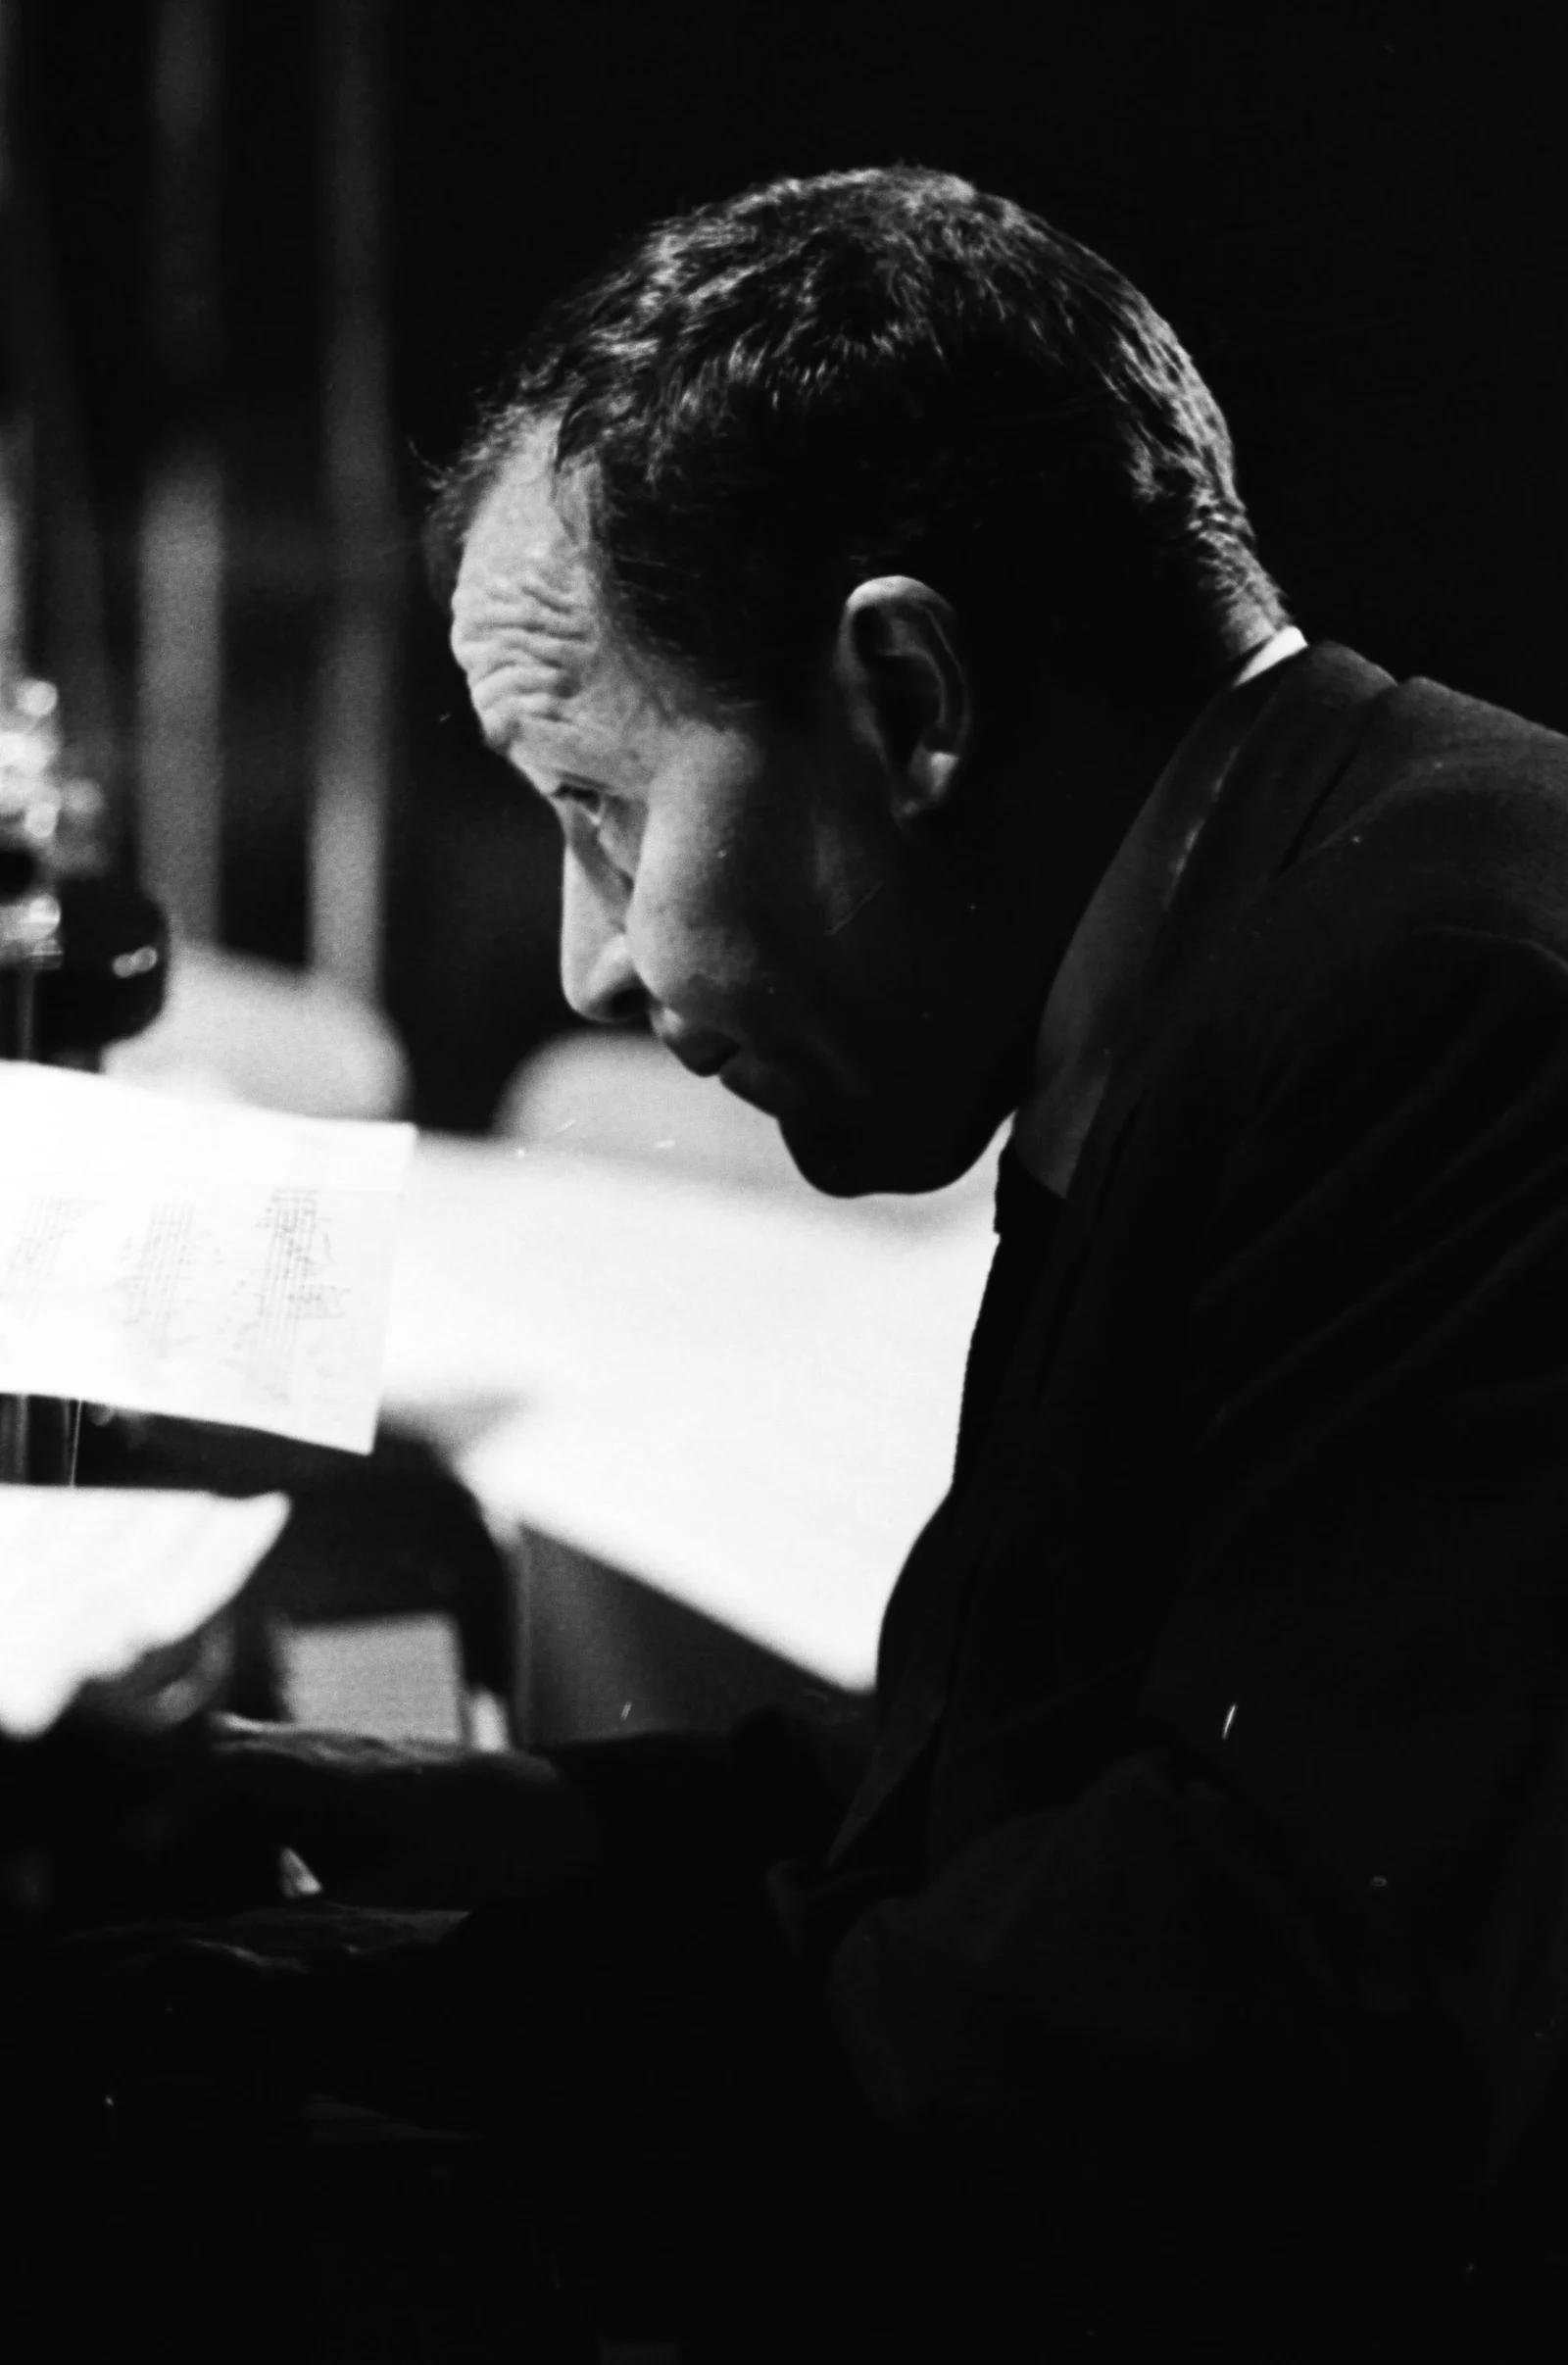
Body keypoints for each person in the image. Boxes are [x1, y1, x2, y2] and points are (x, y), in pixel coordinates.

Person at [55, 166, 1568, 2358]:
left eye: (600, 810)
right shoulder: (1279, 927)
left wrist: (411, 2016)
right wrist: (540, 1824)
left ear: (907, 697)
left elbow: (1222, 1996)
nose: (588, 966)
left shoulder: (1449, 1008)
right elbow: (1069, 1753)